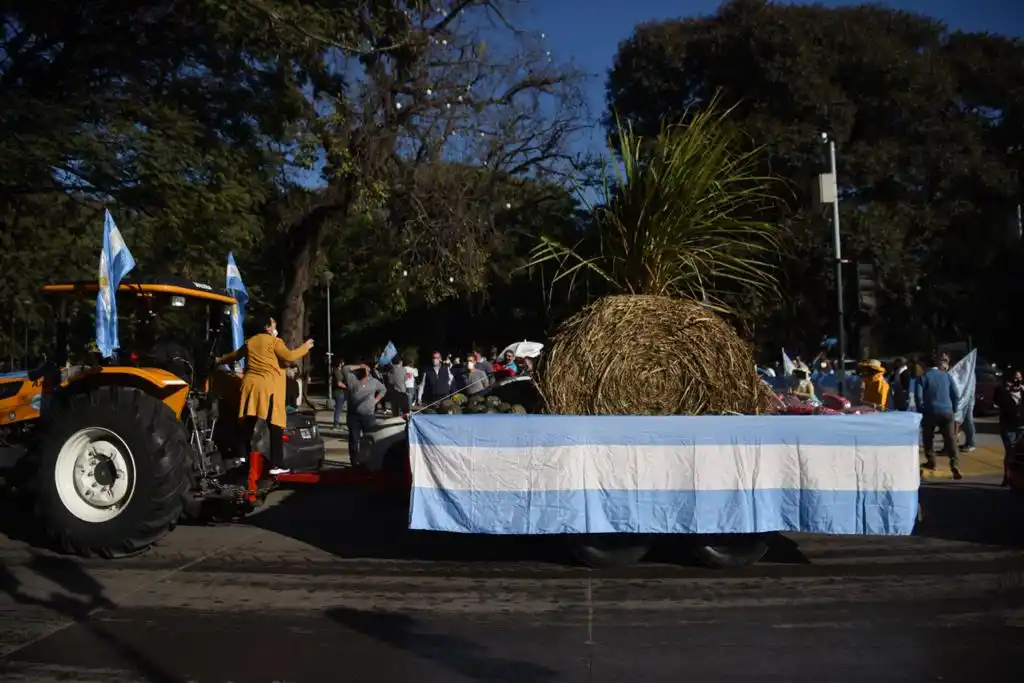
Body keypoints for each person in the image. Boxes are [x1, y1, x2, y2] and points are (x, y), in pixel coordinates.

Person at [215, 316, 314, 477]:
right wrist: (305, 347)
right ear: (267, 327)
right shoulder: (275, 342)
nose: (275, 327)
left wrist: (219, 360)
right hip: (270, 387)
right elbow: (289, 356)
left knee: (248, 421)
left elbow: (235, 355)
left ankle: (242, 456)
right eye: (273, 324)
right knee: (275, 425)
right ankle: (277, 464)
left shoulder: (250, 342)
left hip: (251, 386)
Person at [915, 353, 961, 479]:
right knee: (950, 438)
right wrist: (954, 408)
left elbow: (918, 397)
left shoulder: (923, 377)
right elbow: (956, 394)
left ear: (925, 365)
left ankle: (931, 462)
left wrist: (921, 411)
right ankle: (955, 464)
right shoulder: (946, 376)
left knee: (928, 437)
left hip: (930, 411)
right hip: (947, 411)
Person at [341, 360, 386, 462]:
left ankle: (368, 459)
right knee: (354, 439)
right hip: (353, 415)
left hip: (368, 415)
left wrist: (375, 400)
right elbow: (345, 368)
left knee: (369, 438)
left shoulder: (373, 381)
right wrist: (360, 366)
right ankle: (354, 461)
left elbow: (383, 390)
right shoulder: (352, 379)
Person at [994, 368, 1024, 487]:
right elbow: (997, 403)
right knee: (1010, 452)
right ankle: (1007, 476)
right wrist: (1005, 390)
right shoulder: (1002, 391)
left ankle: (1018, 477)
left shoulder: (1023, 391)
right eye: (1015, 378)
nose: (1016, 381)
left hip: (1022, 426)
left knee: (1020, 453)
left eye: (1019, 378)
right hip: (1008, 426)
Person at [332, 358, 347, 428]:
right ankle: (336, 423)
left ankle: (336, 422)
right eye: (342, 362)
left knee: (340, 408)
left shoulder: (340, 371)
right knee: (338, 409)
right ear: (340, 363)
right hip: (338, 392)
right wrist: (347, 387)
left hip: (341, 392)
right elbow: (339, 383)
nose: (343, 364)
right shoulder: (337, 371)